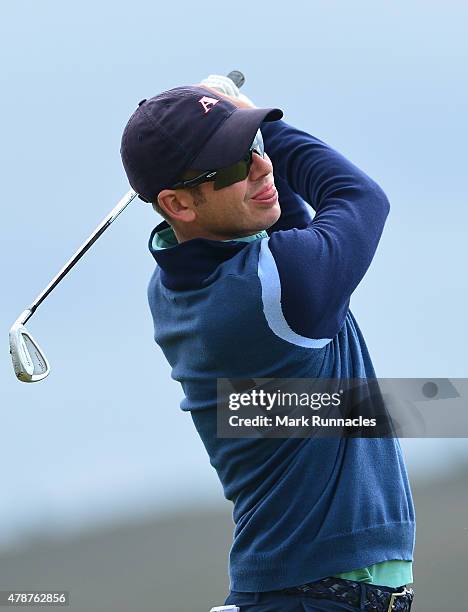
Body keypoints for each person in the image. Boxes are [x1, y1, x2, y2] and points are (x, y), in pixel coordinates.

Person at [120, 75, 415, 612]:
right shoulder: (275, 287)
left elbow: (286, 223)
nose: (263, 166)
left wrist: (238, 131)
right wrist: (266, 127)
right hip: (315, 596)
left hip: (306, 592)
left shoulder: (175, 284)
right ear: (178, 204)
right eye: (236, 165)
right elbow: (360, 197)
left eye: (256, 148)